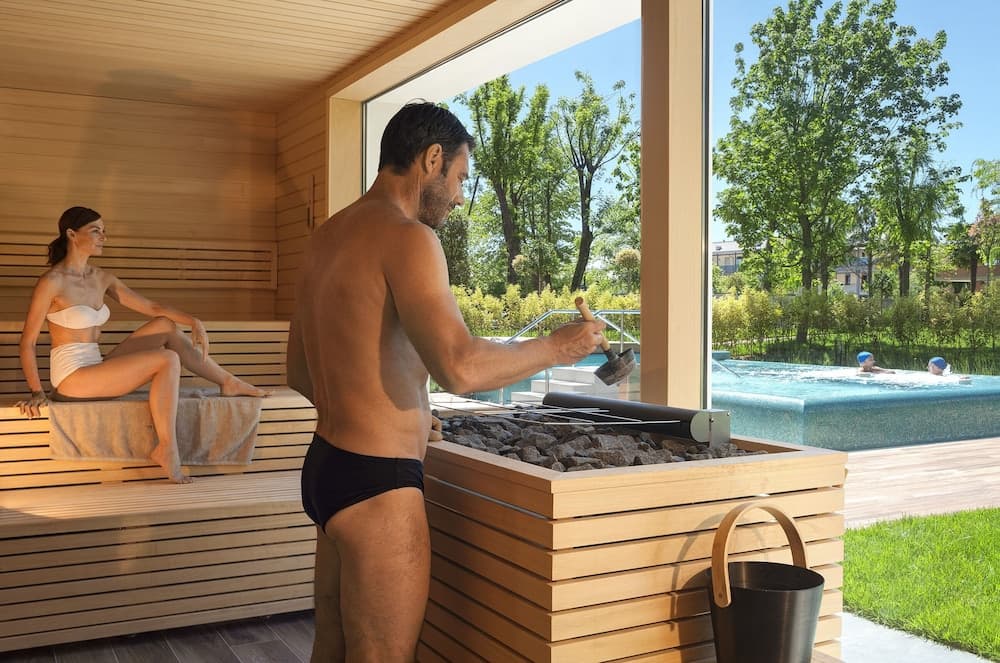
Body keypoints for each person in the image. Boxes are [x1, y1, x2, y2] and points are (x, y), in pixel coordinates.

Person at [287, 102, 606, 662]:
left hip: (326, 467)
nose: (459, 197)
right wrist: (560, 347)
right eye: (459, 177)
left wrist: (400, 410)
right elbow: (460, 367)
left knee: (331, 647)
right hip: (378, 485)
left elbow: (299, 372)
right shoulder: (407, 237)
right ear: (431, 159)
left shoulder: (326, 237)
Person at [16, 206, 268, 483]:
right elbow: (28, 342)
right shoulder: (52, 282)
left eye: (104, 231)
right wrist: (37, 392)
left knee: (165, 325)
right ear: (71, 234)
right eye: (96, 231)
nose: (103, 237)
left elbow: (151, 307)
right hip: (71, 380)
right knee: (167, 359)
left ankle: (228, 381)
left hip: (97, 368)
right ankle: (167, 448)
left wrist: (193, 321)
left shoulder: (101, 278)